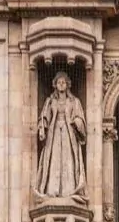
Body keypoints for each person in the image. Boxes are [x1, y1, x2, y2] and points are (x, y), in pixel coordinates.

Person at [35, 70, 87, 200]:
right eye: (59, 82)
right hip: (54, 134)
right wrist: (42, 127)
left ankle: (69, 190)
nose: (61, 84)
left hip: (69, 134)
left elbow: (80, 118)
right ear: (55, 85)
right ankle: (52, 190)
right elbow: (44, 117)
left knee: (68, 160)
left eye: (64, 82)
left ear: (68, 84)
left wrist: (76, 122)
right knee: (54, 160)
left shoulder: (74, 101)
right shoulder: (50, 101)